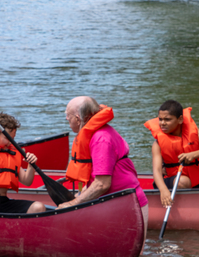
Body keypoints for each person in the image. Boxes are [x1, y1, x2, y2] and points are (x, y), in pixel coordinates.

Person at [57, 96, 148, 234]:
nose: (66, 119)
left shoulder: (101, 139)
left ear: (77, 118)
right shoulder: (95, 134)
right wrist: (80, 196)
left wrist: (73, 204)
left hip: (126, 208)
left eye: (67, 115)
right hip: (113, 205)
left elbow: (102, 184)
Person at [144, 100, 199, 207]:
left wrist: (192, 155)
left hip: (192, 180)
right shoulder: (157, 143)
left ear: (180, 119)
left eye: (167, 119)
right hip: (168, 182)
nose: (162, 123)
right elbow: (157, 171)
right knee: (183, 181)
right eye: (160, 119)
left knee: (187, 182)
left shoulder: (193, 131)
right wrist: (163, 191)